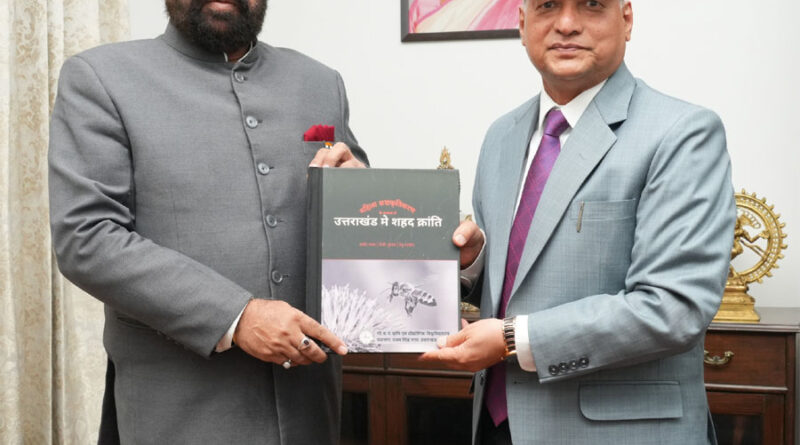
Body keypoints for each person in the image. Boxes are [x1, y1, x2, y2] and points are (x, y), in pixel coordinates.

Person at [48, 0, 366, 443]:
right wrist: (237, 315)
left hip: (310, 410)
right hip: (177, 410)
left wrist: (361, 192)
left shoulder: (319, 83)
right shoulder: (101, 77)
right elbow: (87, 237)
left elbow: (358, 224)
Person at [421, 1, 735, 444]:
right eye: (548, 5)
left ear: (626, 19)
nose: (566, 24)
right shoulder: (501, 135)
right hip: (495, 425)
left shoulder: (682, 132)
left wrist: (511, 338)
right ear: (523, 23)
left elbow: (674, 307)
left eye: (591, 5)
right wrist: (475, 262)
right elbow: (526, 273)